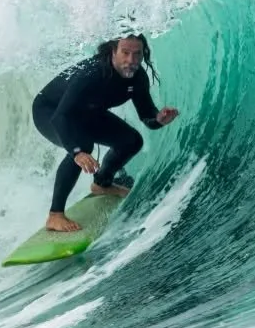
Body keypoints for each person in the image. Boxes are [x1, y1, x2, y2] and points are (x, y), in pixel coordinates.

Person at [32, 34, 180, 232]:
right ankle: (55, 215)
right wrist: (77, 152)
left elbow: (147, 116)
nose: (131, 60)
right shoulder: (91, 74)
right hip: (50, 111)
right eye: (125, 53)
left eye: (137, 54)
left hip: (88, 112)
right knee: (83, 145)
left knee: (131, 140)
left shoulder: (137, 78)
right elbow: (61, 117)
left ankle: (102, 183)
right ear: (113, 51)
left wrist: (159, 119)